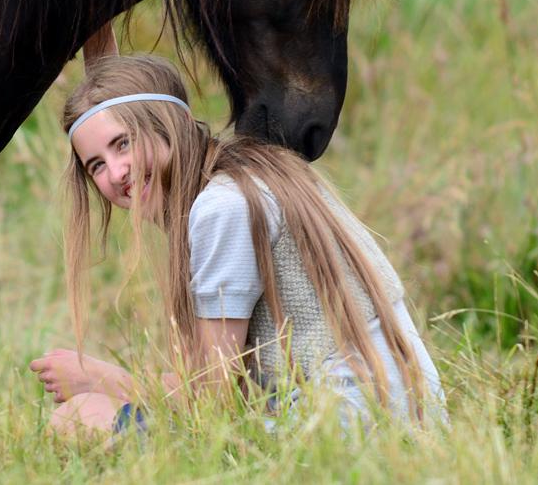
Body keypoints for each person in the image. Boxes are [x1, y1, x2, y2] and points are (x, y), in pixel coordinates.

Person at [29, 54, 445, 435]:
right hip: (402, 408)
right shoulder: (245, 175)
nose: (116, 172)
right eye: (96, 165)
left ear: (165, 125)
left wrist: (100, 379)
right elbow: (222, 381)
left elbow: (213, 396)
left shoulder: (221, 208)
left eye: (124, 143)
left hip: (348, 420)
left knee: (78, 417)